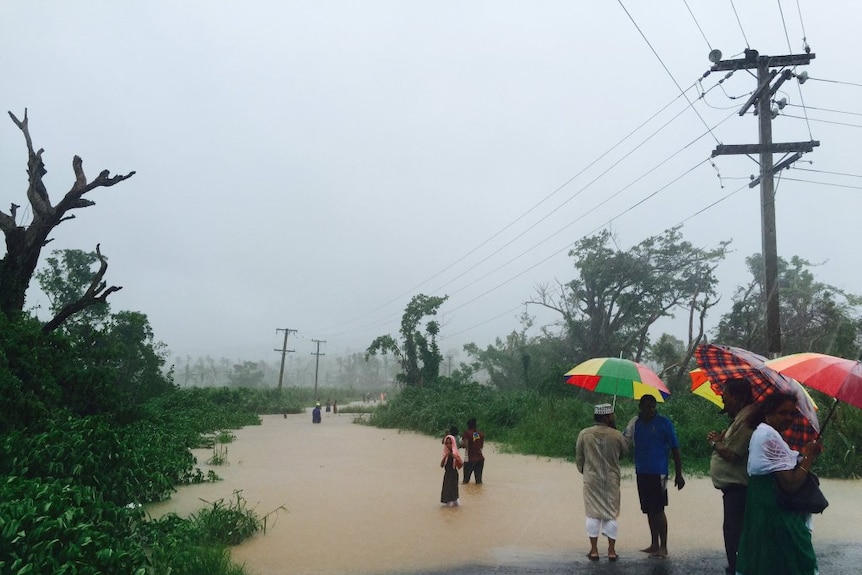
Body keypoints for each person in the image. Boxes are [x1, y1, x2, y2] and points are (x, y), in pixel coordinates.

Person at [735, 391, 824, 575]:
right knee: (790, 563)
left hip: (764, 513)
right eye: (782, 412)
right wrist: (809, 457)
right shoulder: (768, 437)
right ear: (768, 412)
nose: (788, 418)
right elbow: (791, 484)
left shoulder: (764, 433)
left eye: (792, 413)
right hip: (777, 516)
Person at [624, 394, 685, 558]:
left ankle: (664, 546)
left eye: (652, 407)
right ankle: (654, 543)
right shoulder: (635, 423)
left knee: (659, 509)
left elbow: (675, 449)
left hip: (660, 473)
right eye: (646, 407)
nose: (650, 410)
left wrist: (679, 474)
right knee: (648, 510)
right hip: (641, 471)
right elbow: (624, 441)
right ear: (640, 408)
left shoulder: (664, 423)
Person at [707, 378, 756, 575]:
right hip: (733, 489)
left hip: (739, 489)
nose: (722, 398)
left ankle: (738, 569)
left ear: (739, 397)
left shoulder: (748, 418)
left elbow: (732, 454)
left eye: (725, 395)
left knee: (734, 532)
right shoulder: (741, 417)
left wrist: (714, 443)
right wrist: (722, 440)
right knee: (732, 531)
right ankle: (737, 567)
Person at [576, 403, 627, 562]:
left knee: (592, 513)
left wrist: (585, 471)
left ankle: (594, 550)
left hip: (591, 479)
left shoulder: (584, 434)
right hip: (611, 479)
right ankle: (611, 551)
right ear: (607, 417)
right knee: (611, 513)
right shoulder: (617, 435)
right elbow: (624, 453)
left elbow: (579, 457)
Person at [440, 426, 462, 506]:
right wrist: (445, 456)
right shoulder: (445, 453)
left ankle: (454, 502)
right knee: (446, 489)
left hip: (453, 474)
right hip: (447, 474)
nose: (448, 445)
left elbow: (460, 465)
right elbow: (441, 465)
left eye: (450, 443)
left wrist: (454, 456)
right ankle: (447, 503)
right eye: (447, 443)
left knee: (453, 489)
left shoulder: (455, 453)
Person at [461, 418, 485, 484]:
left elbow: (466, 445)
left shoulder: (467, 433)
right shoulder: (478, 434)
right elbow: (479, 445)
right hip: (479, 459)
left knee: (465, 482)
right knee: (479, 481)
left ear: (468, 425)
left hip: (469, 459)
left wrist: (460, 445)